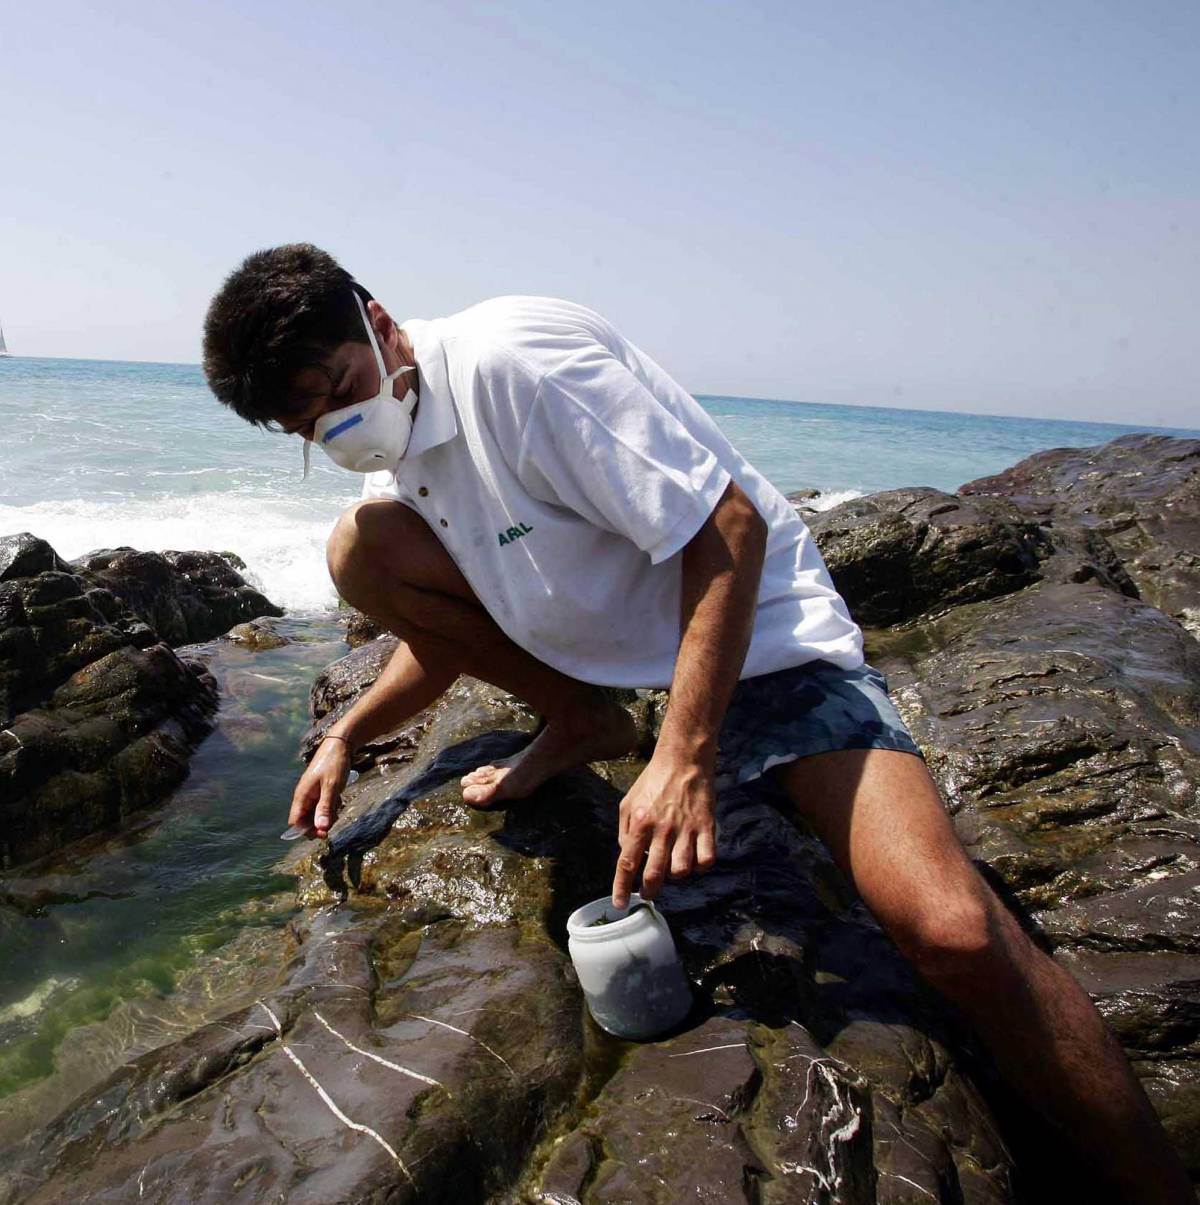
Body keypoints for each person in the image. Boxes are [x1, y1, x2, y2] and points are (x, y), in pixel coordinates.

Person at [202, 243, 1192, 1204]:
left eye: (341, 386)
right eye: (309, 422)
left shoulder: (516, 363)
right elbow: (442, 640)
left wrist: (683, 751)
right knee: (360, 549)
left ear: (379, 322)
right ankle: (583, 718)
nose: (340, 425)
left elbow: (730, 526)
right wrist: (347, 735)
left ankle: (1152, 1182)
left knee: (952, 931)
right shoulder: (403, 455)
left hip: (757, 642)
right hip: (621, 661)